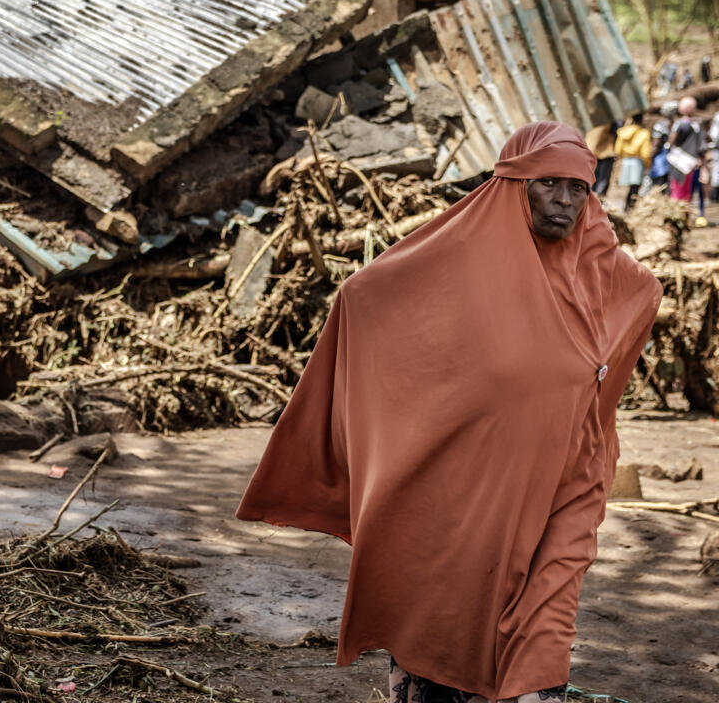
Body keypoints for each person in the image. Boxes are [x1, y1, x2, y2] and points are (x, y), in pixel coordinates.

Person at [236, 122, 661, 703]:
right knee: (445, 624)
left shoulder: (607, 269)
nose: (565, 201)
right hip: (465, 486)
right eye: (549, 185)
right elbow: (369, 296)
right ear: (515, 185)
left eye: (579, 188)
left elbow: (631, 320)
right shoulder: (458, 261)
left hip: (568, 487)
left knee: (543, 631)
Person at [668, 96, 706, 215]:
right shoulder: (696, 125)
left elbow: (671, 141)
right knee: (687, 191)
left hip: (678, 162)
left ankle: (677, 213)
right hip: (691, 163)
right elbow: (702, 147)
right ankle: (683, 214)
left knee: (677, 189)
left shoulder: (679, 125)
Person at [612, 113, 651, 211]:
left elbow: (617, 149)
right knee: (634, 187)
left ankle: (623, 207)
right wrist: (647, 164)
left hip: (625, 161)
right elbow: (645, 153)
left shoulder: (623, 131)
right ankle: (629, 207)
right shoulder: (644, 133)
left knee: (624, 187)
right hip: (637, 162)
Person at [584, 119, 618, 196]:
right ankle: (597, 200)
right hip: (605, 153)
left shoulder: (589, 118)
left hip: (590, 151)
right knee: (602, 182)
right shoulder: (609, 120)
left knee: (591, 181)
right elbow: (615, 133)